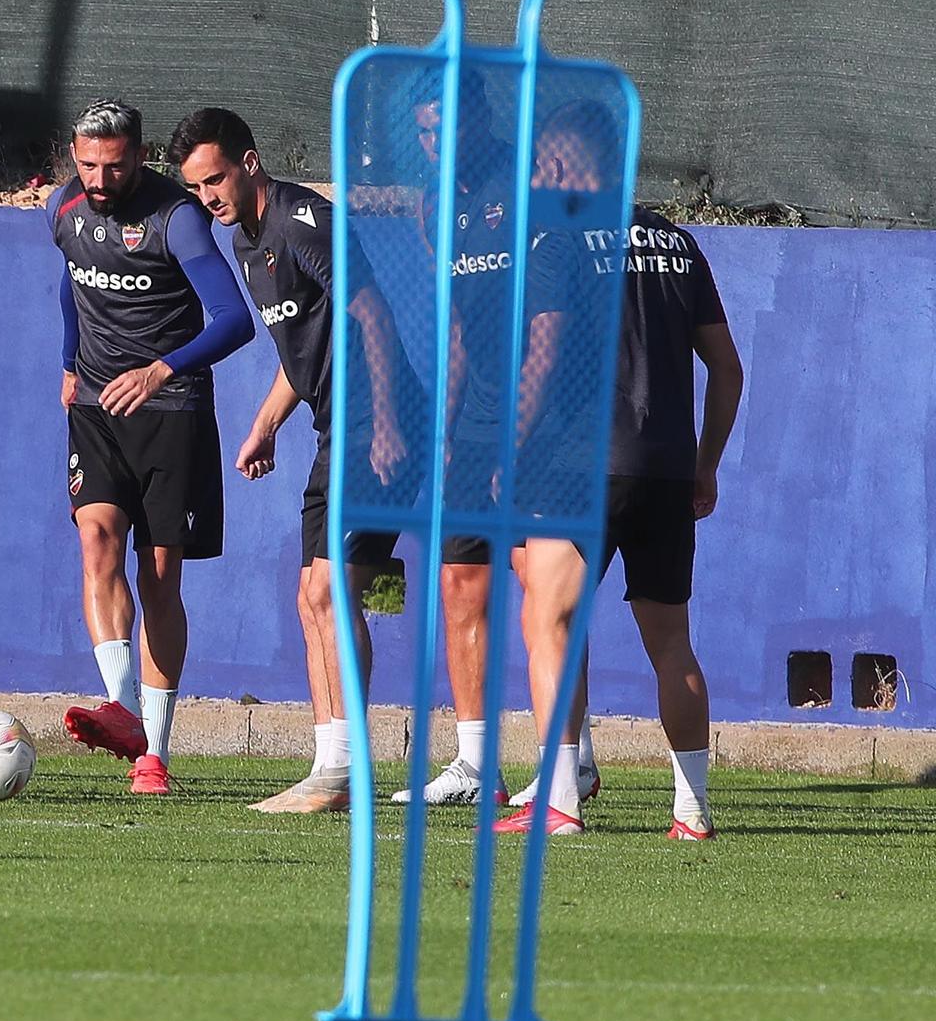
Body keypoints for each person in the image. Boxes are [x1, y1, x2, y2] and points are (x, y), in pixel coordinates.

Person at [494, 105, 741, 839]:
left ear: (572, 167)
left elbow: (539, 362)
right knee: (672, 642)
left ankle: (562, 799)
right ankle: (692, 811)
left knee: (550, 624)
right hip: (665, 470)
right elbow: (727, 369)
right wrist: (706, 463)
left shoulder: (557, 242)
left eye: (543, 164)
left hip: (575, 468)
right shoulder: (678, 244)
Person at [170, 108, 418, 813]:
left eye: (215, 178)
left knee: (330, 594)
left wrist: (388, 424)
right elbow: (298, 344)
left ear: (249, 163)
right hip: (331, 430)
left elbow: (372, 311)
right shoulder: (250, 244)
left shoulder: (301, 219)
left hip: (370, 428)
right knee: (314, 597)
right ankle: (331, 767)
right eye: (194, 188)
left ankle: (343, 772)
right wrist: (265, 424)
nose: (207, 197)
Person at [52, 99, 254, 794]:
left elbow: (234, 321)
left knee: (159, 577)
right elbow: (72, 279)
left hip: (171, 411)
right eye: (86, 165)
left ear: (140, 157)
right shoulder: (64, 208)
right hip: (96, 409)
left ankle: (154, 752)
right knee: (95, 538)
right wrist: (70, 359)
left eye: (113, 166)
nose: (99, 180)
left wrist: (161, 368)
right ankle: (121, 707)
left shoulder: (179, 219)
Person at [392, 70, 525, 809]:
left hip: (542, 419)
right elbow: (455, 324)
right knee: (457, 578)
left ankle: (578, 759)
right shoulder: (434, 203)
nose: (434, 144)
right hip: (472, 424)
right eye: (423, 131)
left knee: (543, 589)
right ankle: (479, 764)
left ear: (477, 118)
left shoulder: (531, 179)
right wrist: (446, 431)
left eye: (445, 127)